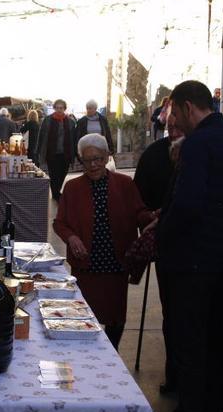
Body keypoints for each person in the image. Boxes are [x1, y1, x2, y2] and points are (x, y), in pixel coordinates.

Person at [155, 80, 223, 412]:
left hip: (191, 258)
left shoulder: (198, 143)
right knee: (213, 337)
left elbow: (190, 203)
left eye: (174, 112)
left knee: (190, 342)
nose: (172, 118)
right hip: (219, 254)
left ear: (187, 107)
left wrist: (164, 233)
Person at [53, 133, 153, 349]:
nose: (93, 165)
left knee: (115, 316)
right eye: (87, 160)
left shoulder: (124, 184)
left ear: (108, 157)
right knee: (85, 315)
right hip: (86, 265)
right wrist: (71, 238)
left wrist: (155, 219)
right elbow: (59, 223)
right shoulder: (72, 188)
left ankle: (113, 352)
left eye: (98, 158)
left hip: (116, 262)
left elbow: (139, 212)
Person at [133, 114, 183, 394]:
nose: (174, 131)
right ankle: (174, 373)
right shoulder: (154, 154)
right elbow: (138, 194)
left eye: (179, 126)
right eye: (170, 127)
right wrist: (148, 218)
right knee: (172, 312)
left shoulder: (197, 151)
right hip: (163, 239)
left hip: (191, 242)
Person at [37, 99, 76, 201]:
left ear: (64, 109)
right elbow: (41, 136)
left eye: (61, 108)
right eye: (57, 108)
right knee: (53, 174)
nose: (59, 110)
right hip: (52, 152)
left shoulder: (70, 122)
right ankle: (56, 194)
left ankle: (56, 191)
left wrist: (75, 153)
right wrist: (39, 150)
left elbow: (74, 139)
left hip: (65, 153)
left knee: (63, 173)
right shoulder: (48, 120)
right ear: (54, 108)